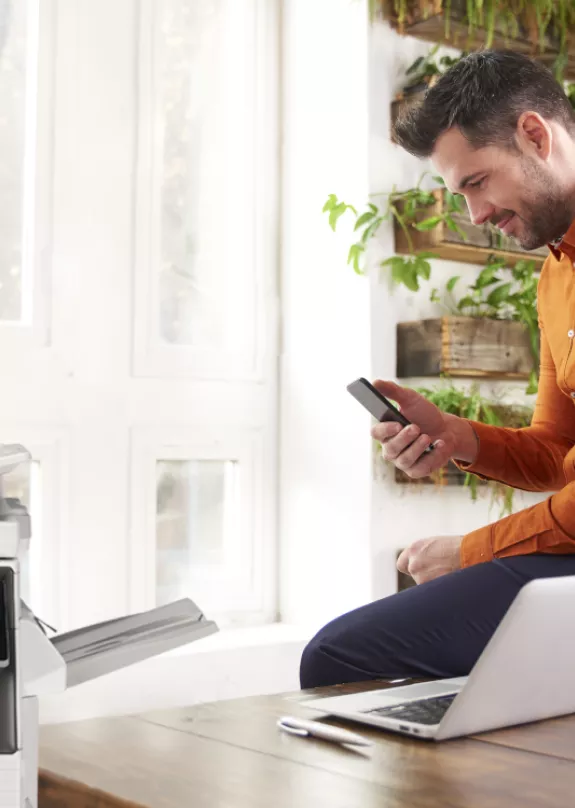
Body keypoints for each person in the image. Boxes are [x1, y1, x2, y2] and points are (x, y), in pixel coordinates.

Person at [300, 49, 575, 689]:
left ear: (535, 134)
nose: (475, 216)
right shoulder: (554, 278)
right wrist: (457, 436)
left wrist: (470, 552)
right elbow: (555, 450)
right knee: (346, 651)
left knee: (342, 657)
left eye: (478, 182)